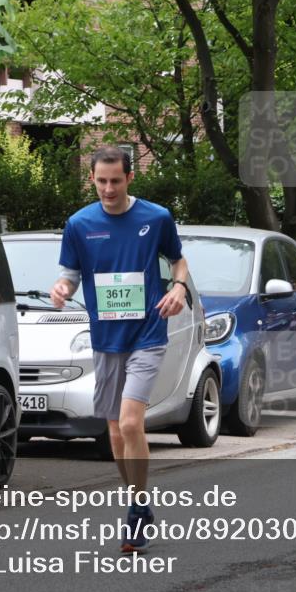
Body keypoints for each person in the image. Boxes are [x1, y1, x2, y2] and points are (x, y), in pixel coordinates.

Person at [50, 145, 189, 552]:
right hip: (106, 338)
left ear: (130, 178)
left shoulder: (156, 217)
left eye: (115, 181)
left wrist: (179, 288)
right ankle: (137, 502)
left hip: (148, 332)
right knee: (114, 430)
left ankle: (136, 510)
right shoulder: (79, 224)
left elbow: (178, 261)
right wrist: (62, 288)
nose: (108, 189)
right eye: (101, 181)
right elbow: (70, 274)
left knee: (130, 424)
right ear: (92, 179)